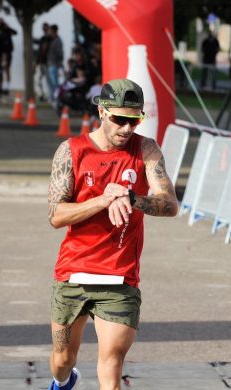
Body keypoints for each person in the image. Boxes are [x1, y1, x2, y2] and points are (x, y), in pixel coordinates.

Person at [47, 78, 178, 390]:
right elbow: (55, 215)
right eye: (120, 119)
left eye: (135, 120)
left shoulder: (146, 149)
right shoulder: (71, 151)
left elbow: (170, 204)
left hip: (119, 277)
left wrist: (131, 198)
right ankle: (62, 382)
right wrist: (103, 199)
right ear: (102, 112)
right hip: (74, 273)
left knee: (112, 363)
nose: (127, 128)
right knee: (63, 359)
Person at [0, 17, 17, 94]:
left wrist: (7, 27)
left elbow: (15, 32)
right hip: (0, 54)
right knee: (0, 70)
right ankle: (0, 87)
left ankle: (7, 86)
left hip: (8, 53)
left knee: (7, 69)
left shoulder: (7, 30)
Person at [34, 23, 52, 101]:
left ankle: (48, 95)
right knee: (37, 79)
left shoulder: (50, 39)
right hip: (41, 62)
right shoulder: (43, 38)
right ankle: (41, 95)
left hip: (46, 63)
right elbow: (40, 50)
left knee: (47, 80)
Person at [47, 24, 64, 103]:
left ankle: (57, 100)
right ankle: (53, 98)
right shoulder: (52, 40)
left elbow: (59, 54)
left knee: (55, 84)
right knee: (51, 83)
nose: (49, 32)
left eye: (50, 30)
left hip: (54, 65)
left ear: (53, 31)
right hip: (51, 64)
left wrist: (58, 65)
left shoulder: (58, 41)